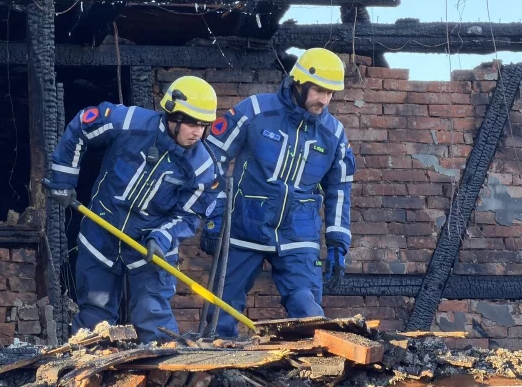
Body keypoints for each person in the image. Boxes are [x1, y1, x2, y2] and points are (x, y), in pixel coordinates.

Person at [43, 76, 221, 343]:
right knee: (94, 318)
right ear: (173, 116)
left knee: (154, 319)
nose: (198, 133)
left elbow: (189, 214)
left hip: (150, 249)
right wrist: (63, 181)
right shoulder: (128, 122)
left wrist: (162, 237)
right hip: (100, 235)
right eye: (193, 123)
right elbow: (82, 125)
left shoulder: (203, 169)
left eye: (204, 125)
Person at [201, 48, 357, 338]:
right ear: (298, 82)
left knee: (307, 311)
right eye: (319, 90)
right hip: (243, 227)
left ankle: (316, 375)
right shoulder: (255, 111)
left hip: (299, 232)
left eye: (331, 93)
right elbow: (210, 157)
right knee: (221, 313)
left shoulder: (334, 134)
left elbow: (340, 190)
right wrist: (215, 211)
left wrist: (337, 243)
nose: (324, 99)